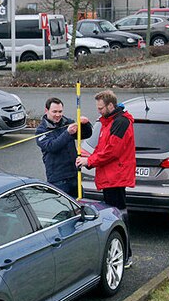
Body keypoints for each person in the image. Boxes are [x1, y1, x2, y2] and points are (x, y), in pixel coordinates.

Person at [76, 90, 136, 265]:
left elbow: (111, 151)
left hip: (115, 177)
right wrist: (89, 159)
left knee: (117, 217)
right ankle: (122, 253)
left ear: (111, 106)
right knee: (115, 215)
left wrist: (89, 161)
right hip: (110, 175)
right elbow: (102, 148)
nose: (99, 111)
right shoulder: (108, 121)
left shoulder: (120, 122)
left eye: (101, 108)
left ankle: (125, 254)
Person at [36, 97, 91, 196]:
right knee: (62, 205)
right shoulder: (41, 130)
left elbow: (85, 135)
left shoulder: (67, 122)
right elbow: (51, 147)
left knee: (80, 203)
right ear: (46, 111)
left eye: (60, 111)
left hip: (74, 174)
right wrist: (67, 133)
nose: (58, 115)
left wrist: (85, 124)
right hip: (58, 179)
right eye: (54, 112)